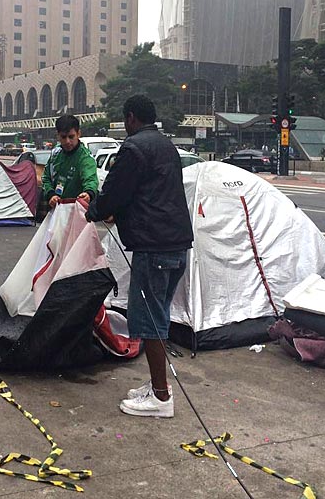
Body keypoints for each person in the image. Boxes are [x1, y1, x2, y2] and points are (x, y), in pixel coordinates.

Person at [86, 95, 193, 418]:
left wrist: (92, 210)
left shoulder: (134, 149)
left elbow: (115, 194)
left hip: (153, 247)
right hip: (176, 244)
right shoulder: (166, 145)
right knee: (157, 315)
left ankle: (161, 397)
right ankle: (157, 385)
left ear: (130, 117)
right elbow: (150, 194)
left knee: (150, 322)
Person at [41, 114, 98, 209]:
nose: (67, 141)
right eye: (63, 137)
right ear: (58, 136)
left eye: (71, 137)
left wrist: (88, 193)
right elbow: (46, 178)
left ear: (78, 134)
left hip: (76, 210)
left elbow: (91, 179)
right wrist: (51, 195)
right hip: (57, 210)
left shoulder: (85, 158)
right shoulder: (55, 154)